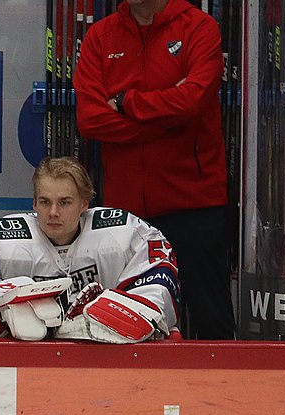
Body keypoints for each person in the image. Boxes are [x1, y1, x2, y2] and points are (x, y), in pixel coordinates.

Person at [73, 0, 236, 339]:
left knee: (210, 320)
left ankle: (221, 392)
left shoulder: (199, 28)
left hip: (195, 206)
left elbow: (192, 101)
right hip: (125, 216)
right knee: (121, 322)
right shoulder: (100, 36)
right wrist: (166, 122)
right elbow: (89, 119)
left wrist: (126, 104)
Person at [0, 157, 179, 343]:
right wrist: (1, 317)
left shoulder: (124, 233)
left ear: (84, 204)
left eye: (65, 202)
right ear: (34, 203)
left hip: (108, 355)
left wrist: (116, 315)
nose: (53, 212)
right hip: (23, 356)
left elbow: (159, 291)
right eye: (45, 202)